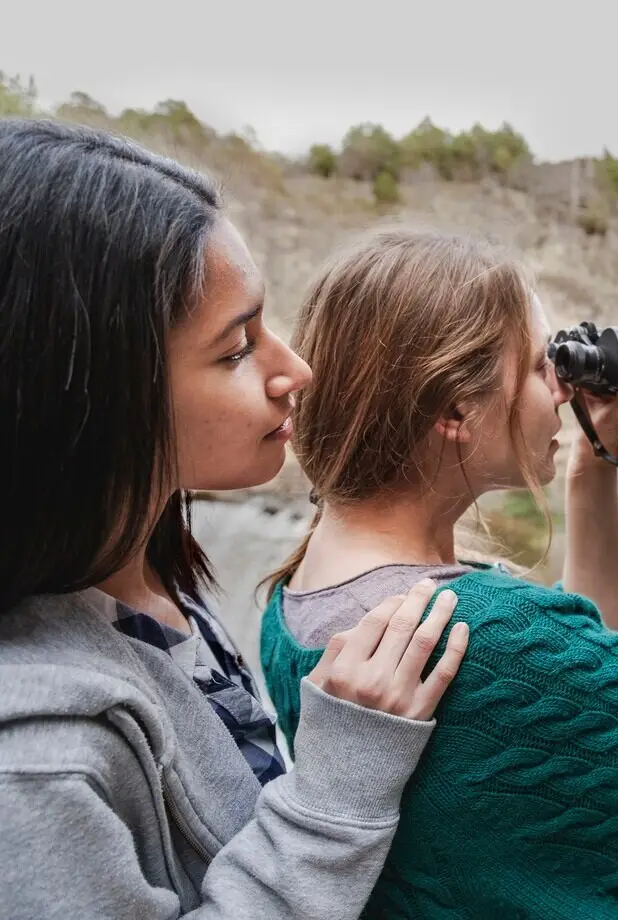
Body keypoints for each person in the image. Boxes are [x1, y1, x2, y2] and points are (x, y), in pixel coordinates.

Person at [0, 118, 473, 920]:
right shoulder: (33, 764)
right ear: (83, 397)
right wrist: (336, 787)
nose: (297, 371)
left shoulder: (133, 574)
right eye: (234, 351)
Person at [257, 227, 618, 919]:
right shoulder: (484, 638)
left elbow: (577, 676)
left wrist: (591, 469)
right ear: (457, 408)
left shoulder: (300, 595)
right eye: (544, 366)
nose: (564, 390)